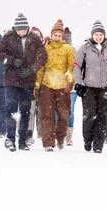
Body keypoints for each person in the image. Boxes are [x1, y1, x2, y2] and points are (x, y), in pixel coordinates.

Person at [0, 13, 48, 152]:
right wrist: (11, 60)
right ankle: (10, 139)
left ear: (27, 28)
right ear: (15, 28)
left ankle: (22, 141)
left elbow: (43, 56)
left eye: (23, 30)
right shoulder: (8, 37)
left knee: (25, 112)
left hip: (27, 81)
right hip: (11, 79)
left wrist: (32, 69)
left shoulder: (34, 38)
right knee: (11, 109)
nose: (21, 33)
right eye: (19, 30)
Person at [73, 20, 107, 153]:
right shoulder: (84, 48)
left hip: (105, 87)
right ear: (92, 35)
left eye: (100, 34)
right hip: (89, 87)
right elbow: (77, 66)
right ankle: (87, 139)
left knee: (103, 115)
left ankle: (98, 144)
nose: (98, 37)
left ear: (104, 35)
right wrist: (78, 83)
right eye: (96, 34)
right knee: (89, 115)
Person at [34, 19, 75, 152]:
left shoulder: (68, 49)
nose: (57, 37)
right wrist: (37, 85)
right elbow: (40, 68)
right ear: (51, 35)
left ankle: (60, 137)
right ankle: (48, 143)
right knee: (47, 114)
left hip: (63, 85)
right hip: (47, 85)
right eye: (55, 35)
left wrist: (70, 82)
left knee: (64, 114)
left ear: (62, 36)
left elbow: (70, 68)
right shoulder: (45, 48)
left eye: (59, 35)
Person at [27, 26, 44, 140]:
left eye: (38, 35)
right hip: (30, 83)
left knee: (42, 110)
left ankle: (41, 133)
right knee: (31, 110)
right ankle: (29, 133)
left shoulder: (45, 49)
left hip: (44, 84)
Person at [63, 26, 77, 146]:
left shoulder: (75, 52)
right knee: (58, 111)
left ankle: (68, 135)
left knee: (70, 112)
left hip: (72, 88)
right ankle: (60, 134)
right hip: (58, 86)